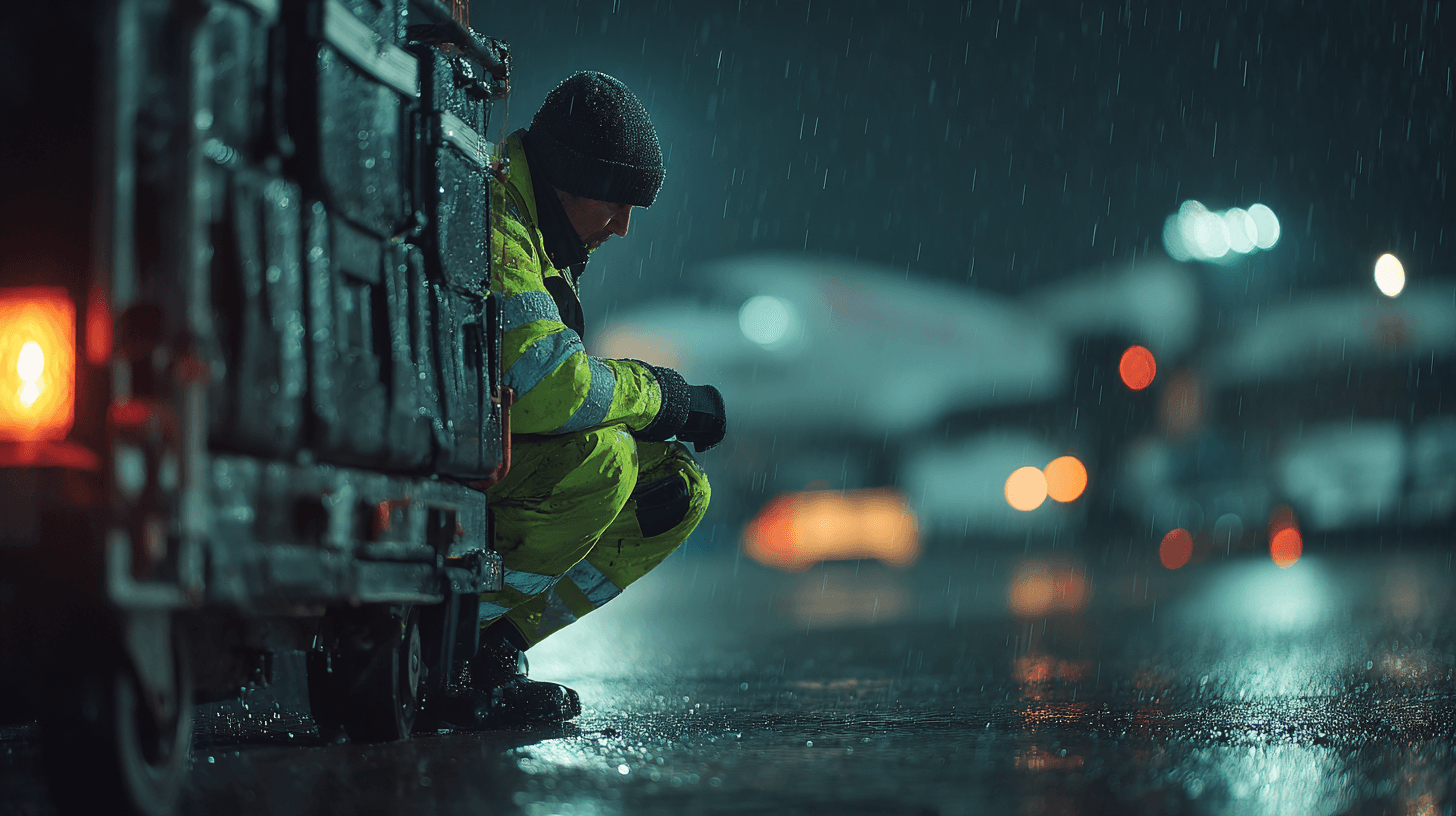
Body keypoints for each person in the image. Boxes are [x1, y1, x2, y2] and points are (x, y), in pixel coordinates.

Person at [436, 72, 726, 728]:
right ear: (567, 180)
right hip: (446, 457)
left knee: (677, 489)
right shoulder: (497, 220)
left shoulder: (539, 231)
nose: (622, 227)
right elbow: (547, 387)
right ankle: (441, 656)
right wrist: (664, 396)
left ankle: (492, 650)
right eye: (615, 203)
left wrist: (659, 412)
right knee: (607, 460)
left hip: (477, 444)